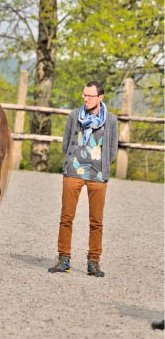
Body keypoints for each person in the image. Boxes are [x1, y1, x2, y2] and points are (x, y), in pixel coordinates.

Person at [48, 80, 118, 277]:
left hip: (98, 175)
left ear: (100, 97)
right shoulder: (74, 116)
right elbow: (65, 144)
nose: (86, 99)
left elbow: (112, 149)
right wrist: (73, 163)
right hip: (73, 172)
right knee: (66, 217)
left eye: (90, 96)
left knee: (96, 221)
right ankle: (63, 259)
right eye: (84, 95)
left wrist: (102, 166)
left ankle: (93, 262)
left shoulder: (111, 120)